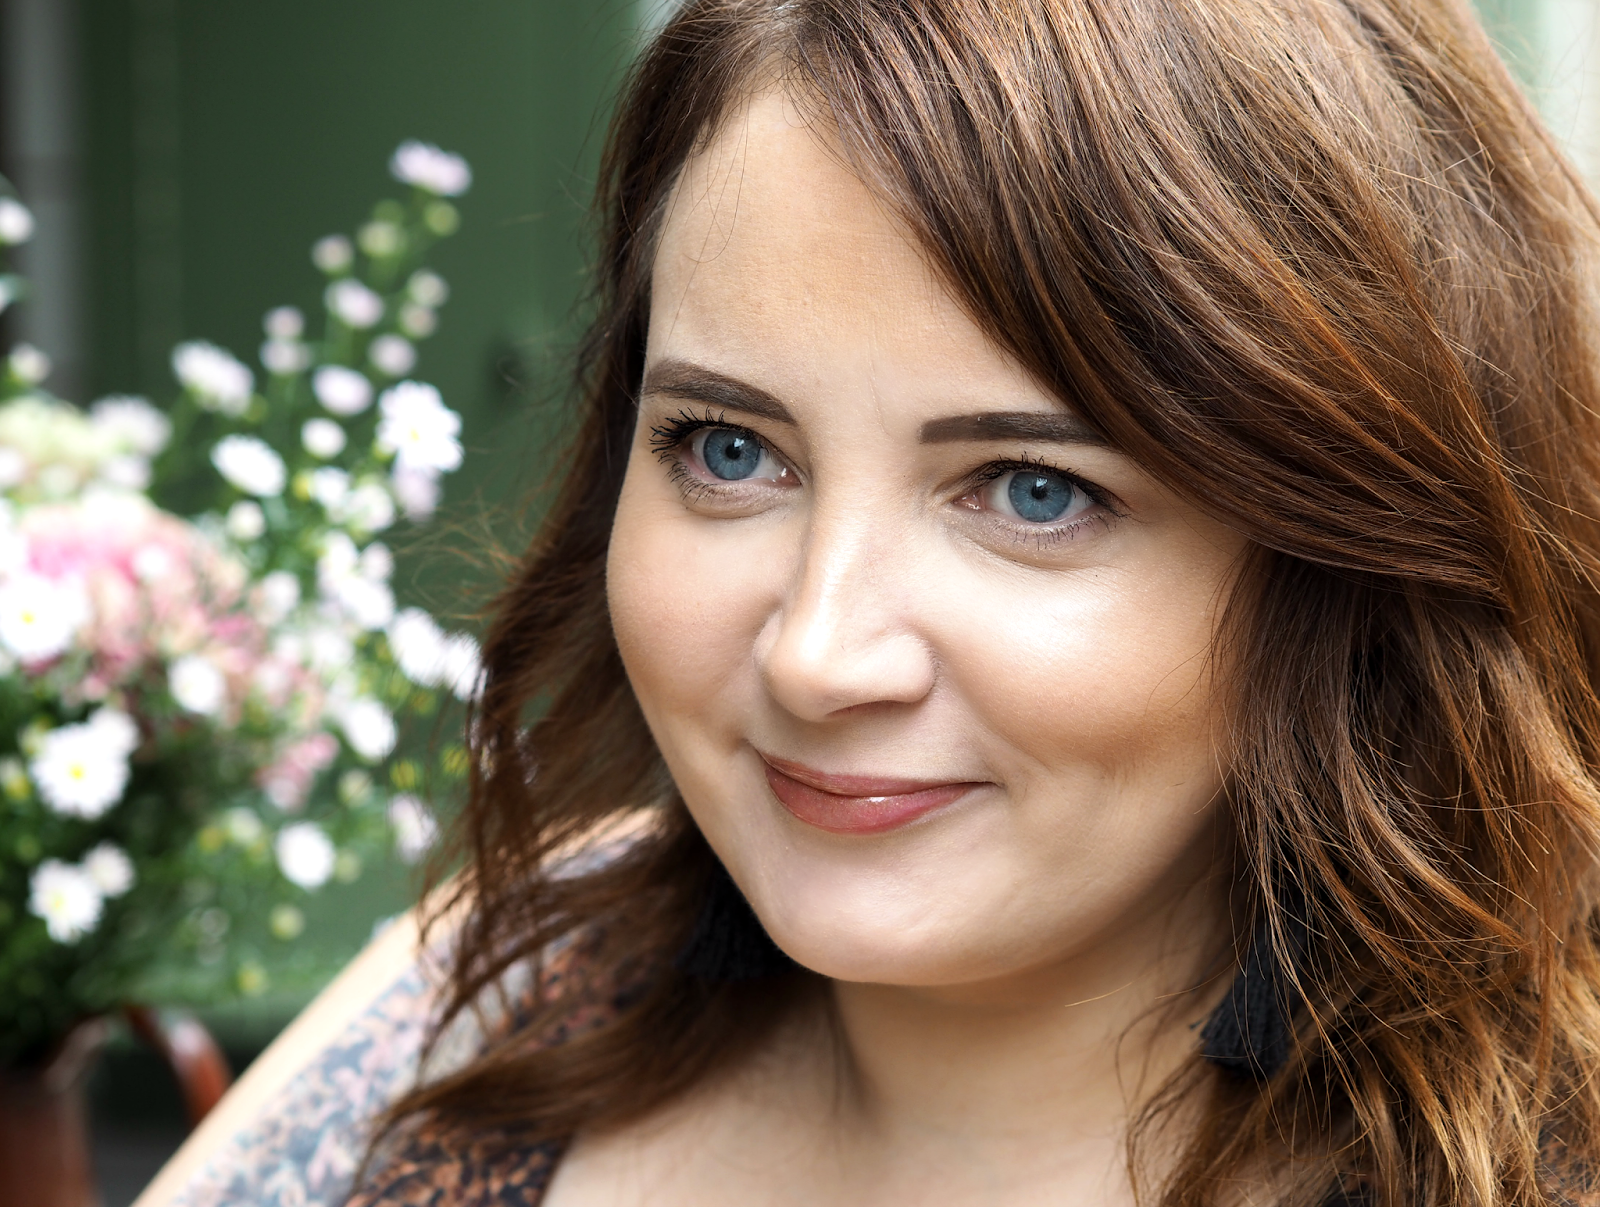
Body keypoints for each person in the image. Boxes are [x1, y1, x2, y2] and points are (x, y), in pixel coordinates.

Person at [137, 0, 1600, 1204]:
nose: (818, 654)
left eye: (1033, 489)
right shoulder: (497, 986)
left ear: (1352, 558)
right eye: (729, 451)